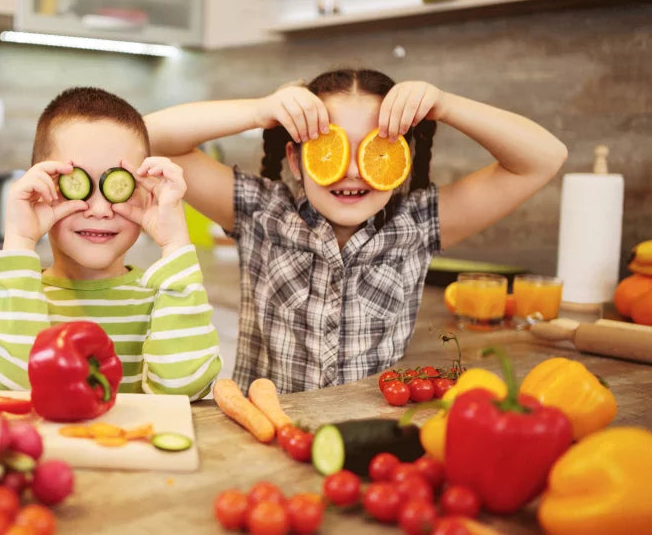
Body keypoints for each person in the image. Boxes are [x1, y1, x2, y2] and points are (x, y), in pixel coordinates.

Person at [144, 69, 567, 393]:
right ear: (296, 160)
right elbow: (147, 135)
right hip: (266, 434)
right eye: (331, 147)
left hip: (371, 438)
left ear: (400, 158)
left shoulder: (417, 223)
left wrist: (446, 105)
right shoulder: (261, 211)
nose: (351, 170)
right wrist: (259, 110)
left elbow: (545, 157)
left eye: (375, 148)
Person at [0, 87, 221, 399]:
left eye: (118, 183)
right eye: (78, 183)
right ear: (42, 185)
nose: (101, 210)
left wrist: (175, 243)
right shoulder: (10, 291)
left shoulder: (166, 294)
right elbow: (12, 388)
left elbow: (185, 387)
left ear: (146, 188)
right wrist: (21, 240)